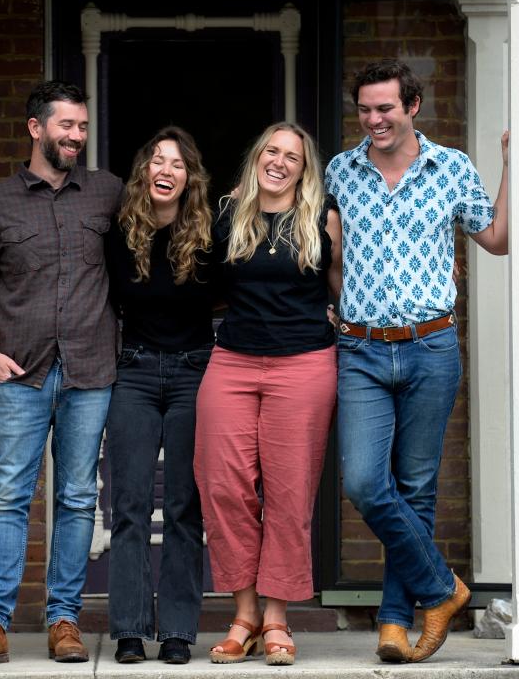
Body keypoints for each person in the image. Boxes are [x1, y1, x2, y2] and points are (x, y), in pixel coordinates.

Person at [324, 59, 509, 664]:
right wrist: (332, 303)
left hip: (431, 346)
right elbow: (331, 256)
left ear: (413, 107)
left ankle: (395, 622)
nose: (374, 120)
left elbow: (497, 238)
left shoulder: (450, 167)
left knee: (417, 488)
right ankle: (443, 589)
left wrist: (513, 164)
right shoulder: (339, 171)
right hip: (361, 349)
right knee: (363, 481)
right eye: (365, 109)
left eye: (385, 108)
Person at [0, 81, 123, 668]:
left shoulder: (107, 193)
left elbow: (151, 247)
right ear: (35, 128)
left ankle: (64, 621)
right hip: (20, 373)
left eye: (81, 127)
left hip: (91, 370)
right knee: (9, 497)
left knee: (77, 498)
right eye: (66, 126)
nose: (76, 136)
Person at [194, 122, 342, 666]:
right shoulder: (228, 214)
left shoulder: (321, 216)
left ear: (305, 170)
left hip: (304, 363)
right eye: (271, 152)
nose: (279, 162)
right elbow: (205, 287)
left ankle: (276, 618)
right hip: (232, 360)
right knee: (224, 486)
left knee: (288, 492)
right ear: (257, 157)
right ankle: (244, 614)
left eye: (292, 157)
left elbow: (344, 288)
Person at [103, 126, 214, 665]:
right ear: (144, 172)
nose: (166, 171)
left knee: (183, 508)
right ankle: (128, 629)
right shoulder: (119, 232)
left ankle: (176, 631)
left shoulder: (210, 235)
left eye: (177, 164)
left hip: (197, 372)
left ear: (190, 178)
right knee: (127, 504)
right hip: (135, 373)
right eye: (157, 160)